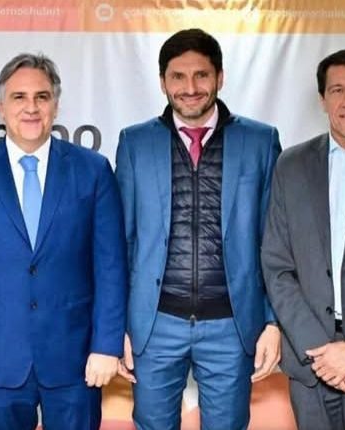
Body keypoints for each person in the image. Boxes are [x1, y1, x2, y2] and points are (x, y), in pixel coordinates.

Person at [0, 53, 127, 430]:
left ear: (55, 105)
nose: (31, 108)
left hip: (77, 361)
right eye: (19, 97)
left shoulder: (93, 170)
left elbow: (110, 266)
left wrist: (106, 345)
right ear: (0, 106)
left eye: (41, 97)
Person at [115, 28, 281, 430]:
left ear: (219, 77)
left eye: (201, 75)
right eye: (178, 76)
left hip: (232, 326)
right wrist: (115, 327)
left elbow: (275, 241)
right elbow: (121, 242)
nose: (190, 88)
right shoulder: (135, 143)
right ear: (162, 82)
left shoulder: (260, 141)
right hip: (154, 325)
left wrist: (273, 322)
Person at [262, 48, 345, 430]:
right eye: (337, 90)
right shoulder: (290, 165)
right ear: (323, 99)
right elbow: (277, 266)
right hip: (311, 363)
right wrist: (321, 351)